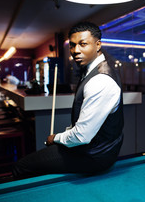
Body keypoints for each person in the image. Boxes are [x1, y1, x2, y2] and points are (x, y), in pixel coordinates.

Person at [13, 21, 124, 177]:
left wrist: (55, 138)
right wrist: (62, 136)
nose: (75, 51)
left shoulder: (101, 80)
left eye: (83, 44)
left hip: (95, 156)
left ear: (98, 45)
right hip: (92, 149)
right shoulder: (90, 71)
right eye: (72, 45)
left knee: (22, 166)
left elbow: (81, 136)